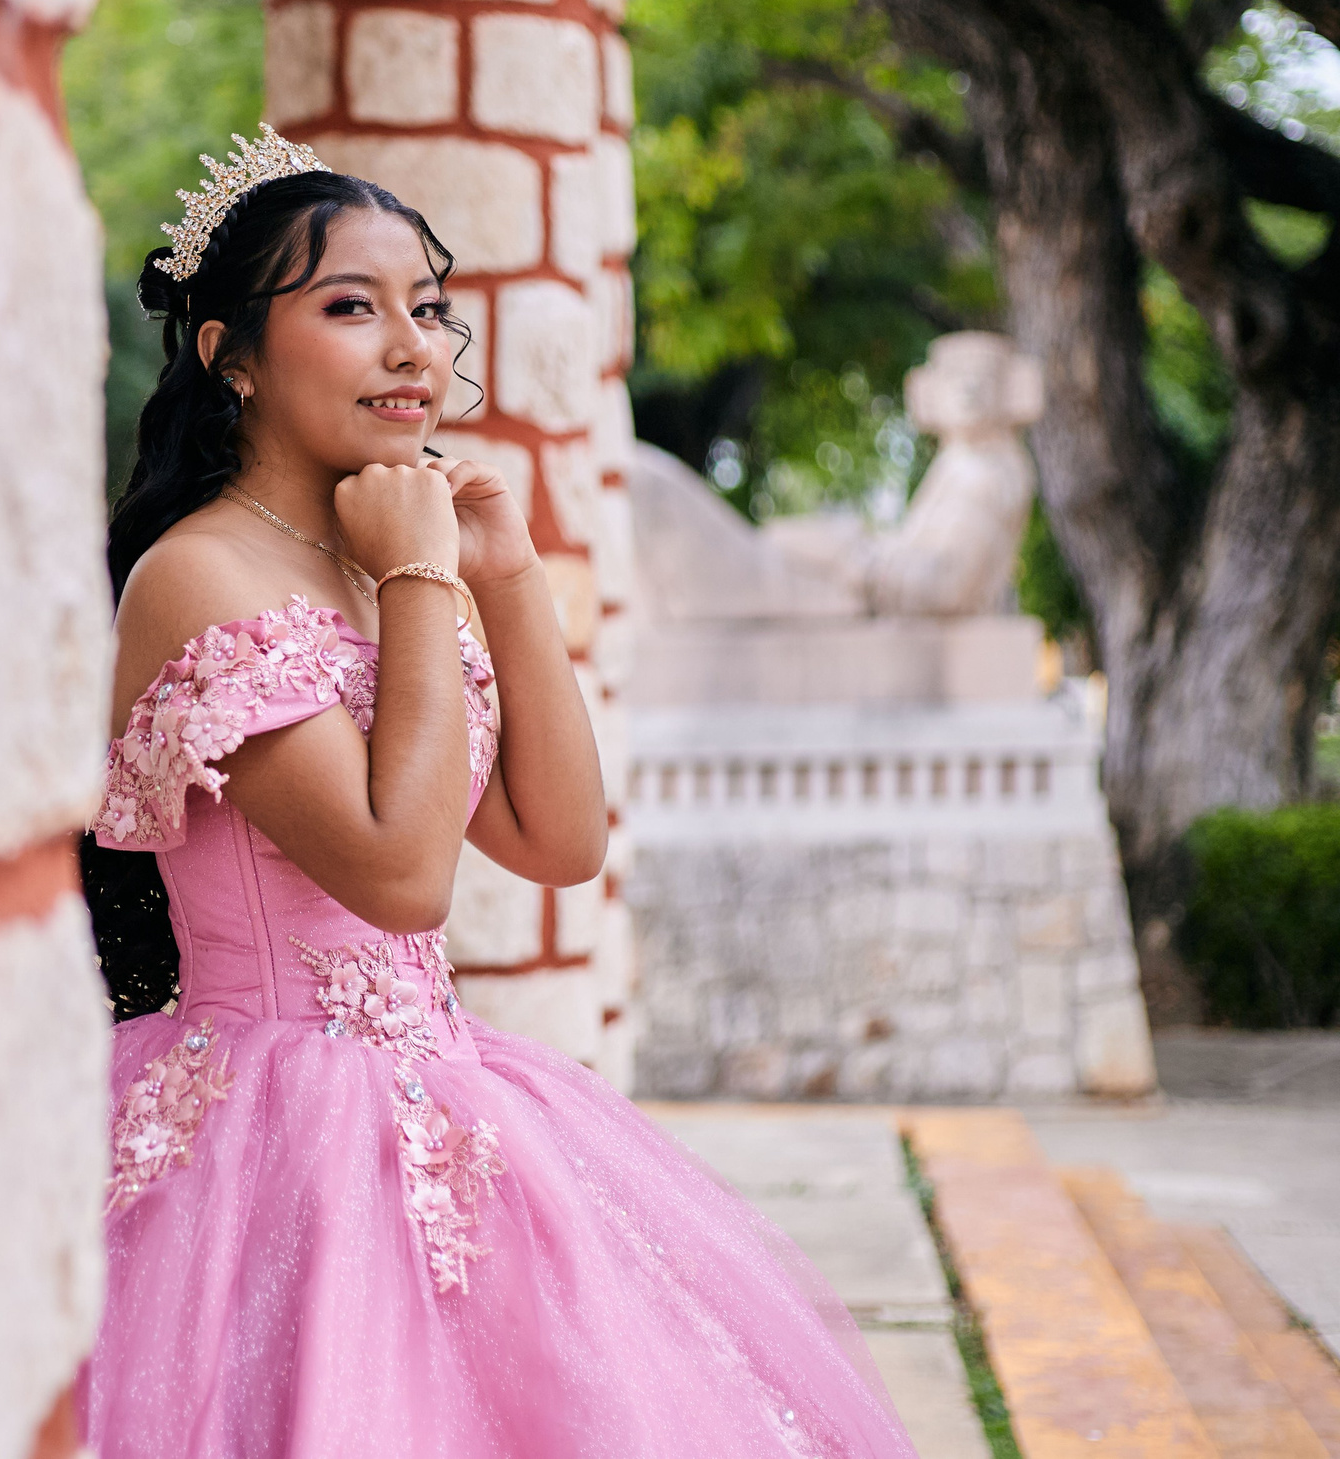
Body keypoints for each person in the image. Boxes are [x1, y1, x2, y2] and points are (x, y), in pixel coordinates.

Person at [76, 128, 920, 1458]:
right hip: (269, 1135)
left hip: (452, 1098)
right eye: (351, 307)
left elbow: (557, 839)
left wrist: (505, 575)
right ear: (226, 352)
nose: (414, 348)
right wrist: (419, 579)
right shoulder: (197, 575)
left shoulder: (384, 556)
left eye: (427, 307)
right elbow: (399, 873)